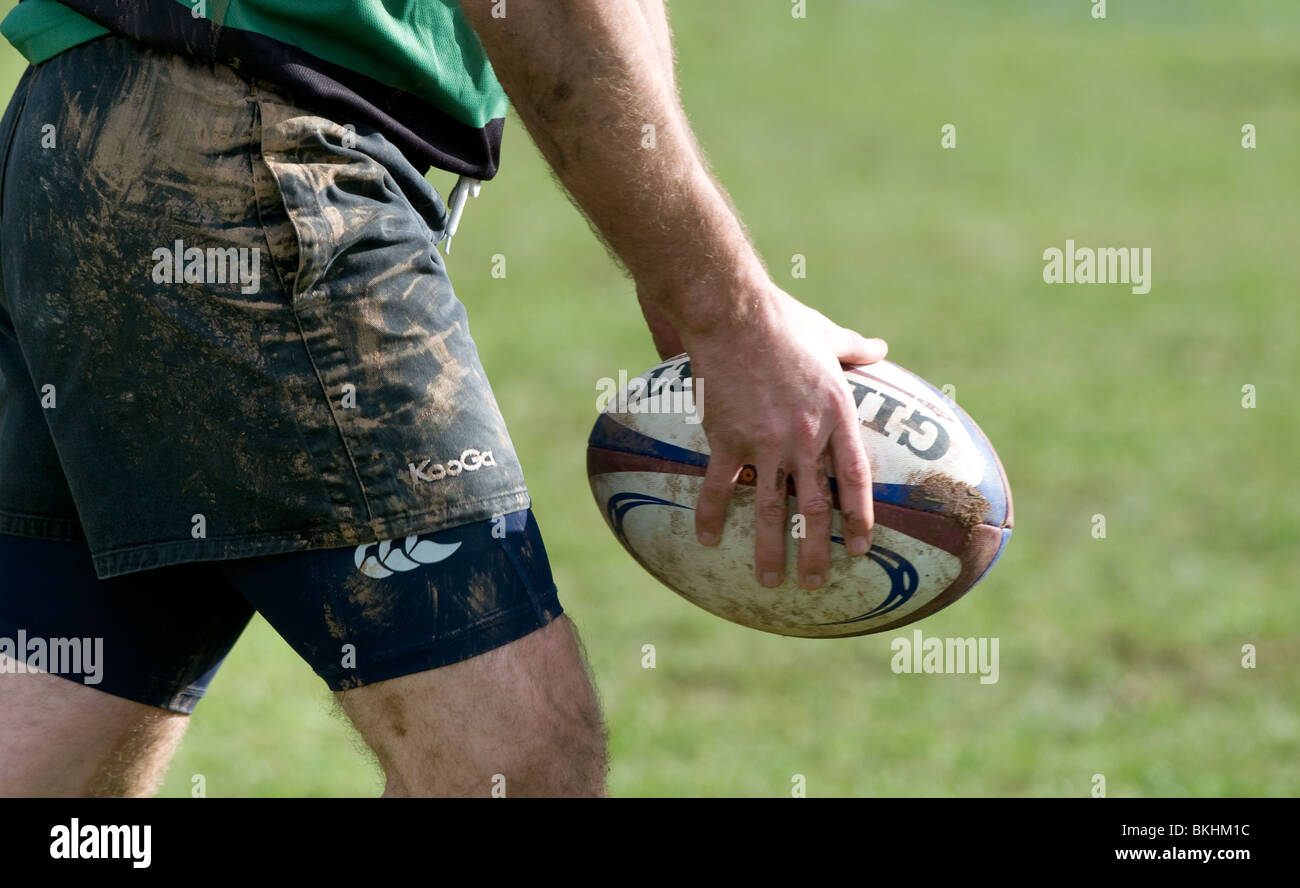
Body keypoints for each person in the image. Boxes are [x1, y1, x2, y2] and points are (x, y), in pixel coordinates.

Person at [0, 0, 886, 797]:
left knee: (62, 722)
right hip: (253, 152)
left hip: (91, 127)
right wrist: (727, 312)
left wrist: (684, 270)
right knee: (510, 761)